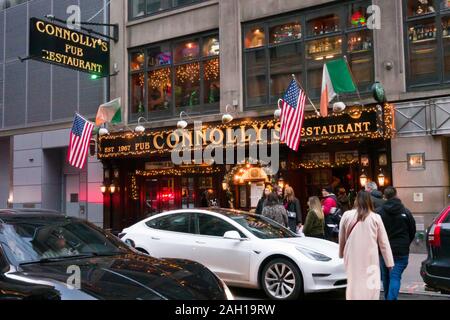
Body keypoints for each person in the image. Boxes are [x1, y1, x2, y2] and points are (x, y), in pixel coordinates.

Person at [339, 191, 394, 300]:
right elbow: (383, 242)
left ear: (355, 201)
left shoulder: (346, 215)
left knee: (354, 283)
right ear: (369, 201)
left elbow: (342, 238)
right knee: (371, 284)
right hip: (370, 257)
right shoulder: (376, 217)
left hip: (352, 256)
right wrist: (389, 261)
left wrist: (341, 253)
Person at [376, 186, 416, 300]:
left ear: (385, 196)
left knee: (386, 277)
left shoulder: (378, 212)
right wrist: (405, 243)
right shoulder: (405, 211)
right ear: (396, 195)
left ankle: (389, 298)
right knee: (395, 276)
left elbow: (374, 231)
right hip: (401, 250)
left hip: (384, 250)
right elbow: (412, 230)